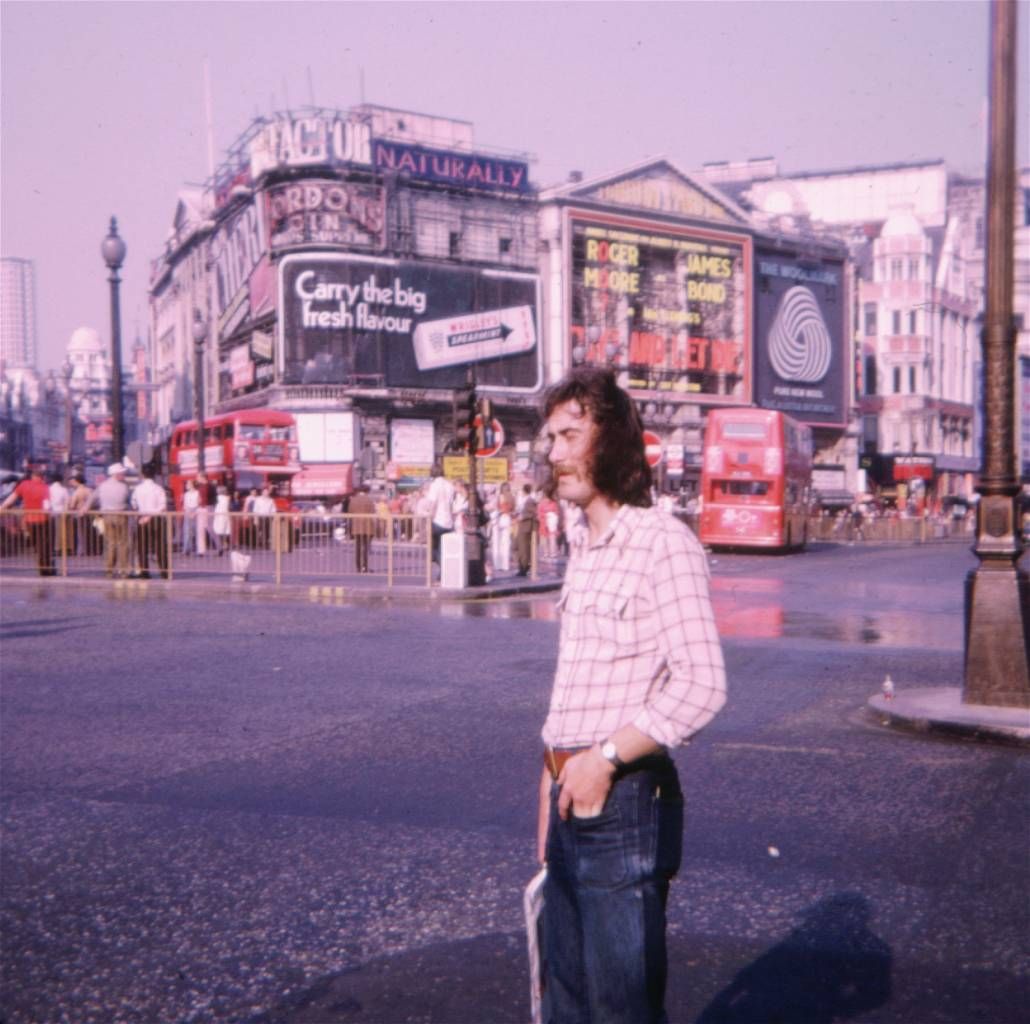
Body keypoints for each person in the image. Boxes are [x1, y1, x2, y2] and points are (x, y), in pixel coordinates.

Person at [537, 365, 727, 1024]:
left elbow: (703, 684)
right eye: (550, 438)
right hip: (568, 795)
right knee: (564, 1000)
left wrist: (604, 760)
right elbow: (579, 682)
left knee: (619, 1008)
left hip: (621, 800)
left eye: (569, 435)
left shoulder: (661, 544)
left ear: (612, 440)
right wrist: (552, 776)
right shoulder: (584, 548)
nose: (553, 452)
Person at [0, 462, 55, 576]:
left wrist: (1, 508)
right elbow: (47, 506)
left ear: (33, 476)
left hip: (29, 520)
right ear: (41, 477)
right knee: (44, 544)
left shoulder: (24, 485)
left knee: (36, 544)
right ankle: (45, 568)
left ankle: (43, 566)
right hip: (43, 519)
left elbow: (11, 498)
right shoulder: (45, 487)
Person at [93, 462, 131, 578]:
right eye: (122, 473)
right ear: (116, 474)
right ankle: (123, 570)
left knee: (110, 543)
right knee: (123, 543)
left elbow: (92, 498)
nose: (123, 474)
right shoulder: (124, 486)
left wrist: (83, 509)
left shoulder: (102, 486)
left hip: (107, 516)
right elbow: (128, 501)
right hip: (120, 515)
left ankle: (109, 570)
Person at [131, 465, 169, 578]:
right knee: (160, 546)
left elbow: (134, 504)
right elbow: (163, 506)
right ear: (154, 475)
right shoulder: (158, 488)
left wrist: (143, 515)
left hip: (142, 519)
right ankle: (164, 572)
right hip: (157, 519)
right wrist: (151, 515)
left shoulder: (137, 489)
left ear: (142, 475)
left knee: (142, 546)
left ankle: (144, 571)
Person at [425, 465, 455, 565]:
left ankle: (439, 563)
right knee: (444, 550)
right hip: (448, 521)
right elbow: (451, 505)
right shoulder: (450, 485)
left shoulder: (434, 485)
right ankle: (443, 574)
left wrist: (429, 519)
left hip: (437, 520)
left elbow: (433, 504)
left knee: (433, 549)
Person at [348, 484, 376, 573]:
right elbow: (373, 511)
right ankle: (365, 567)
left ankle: (358, 567)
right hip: (367, 526)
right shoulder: (369, 500)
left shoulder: (353, 500)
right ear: (367, 491)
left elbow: (350, 511)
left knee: (357, 547)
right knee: (365, 548)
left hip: (356, 526)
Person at [515, 484, 537, 576]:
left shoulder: (530, 501)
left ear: (524, 491)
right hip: (522, 525)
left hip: (526, 526)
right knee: (518, 546)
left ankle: (524, 568)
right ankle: (522, 566)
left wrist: (523, 517)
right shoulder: (525, 500)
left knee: (523, 548)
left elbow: (534, 512)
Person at [49, 472, 71, 558]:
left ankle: (53, 548)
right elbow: (67, 502)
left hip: (50, 512)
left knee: (52, 532)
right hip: (61, 512)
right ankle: (60, 548)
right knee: (61, 532)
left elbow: (47, 502)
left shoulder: (49, 489)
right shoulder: (64, 490)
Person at [212, 485, 231, 555]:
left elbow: (217, 506)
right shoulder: (227, 498)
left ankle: (220, 547)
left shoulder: (218, 498)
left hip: (219, 515)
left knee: (217, 530)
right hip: (225, 514)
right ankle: (225, 544)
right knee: (224, 531)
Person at [181, 479, 199, 554]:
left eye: (188, 484)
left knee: (195, 531)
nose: (186, 486)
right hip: (188, 512)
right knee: (187, 531)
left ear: (192, 485)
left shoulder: (197, 493)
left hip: (196, 512)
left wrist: (194, 512)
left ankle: (194, 548)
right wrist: (188, 512)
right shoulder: (186, 494)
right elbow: (185, 505)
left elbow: (198, 503)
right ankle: (186, 549)